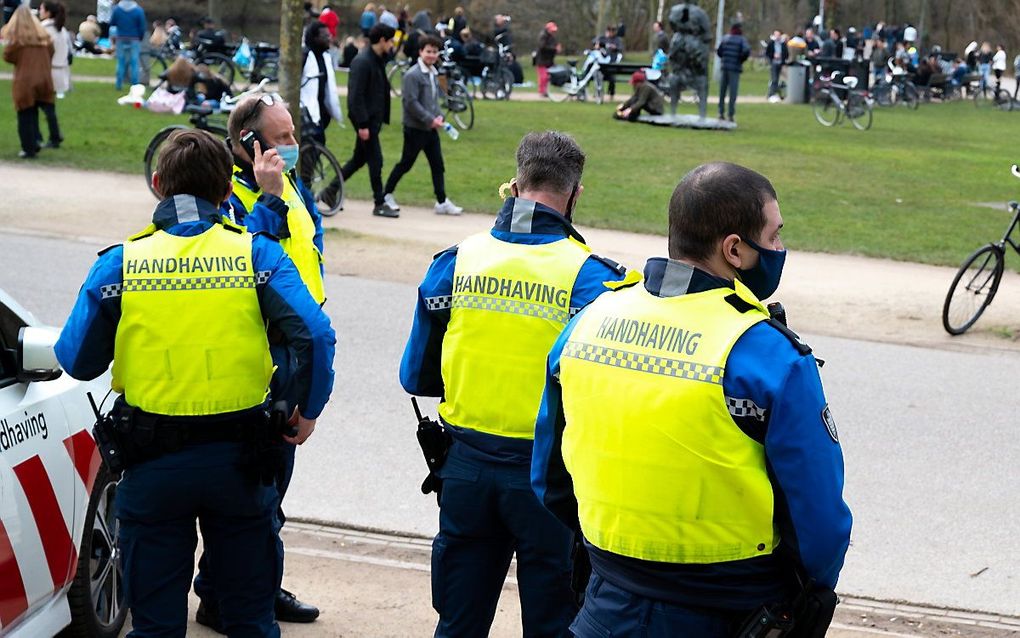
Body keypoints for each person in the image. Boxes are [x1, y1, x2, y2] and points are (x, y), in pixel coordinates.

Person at [532, 161, 852, 637]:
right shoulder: (770, 356)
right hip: (728, 613)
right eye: (775, 235)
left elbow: (549, 478)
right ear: (735, 250)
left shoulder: (585, 324)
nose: (780, 248)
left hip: (605, 604)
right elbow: (820, 522)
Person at [54, 128, 336, 638]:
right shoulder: (257, 255)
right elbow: (314, 335)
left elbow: (76, 360)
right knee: (250, 618)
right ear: (227, 192)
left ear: (158, 184)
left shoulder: (120, 262)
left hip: (153, 465)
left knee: (157, 625)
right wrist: (306, 410)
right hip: (242, 464)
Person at [400, 130, 630, 638]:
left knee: (458, 622)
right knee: (554, 621)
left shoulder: (456, 261)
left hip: (465, 470)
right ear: (575, 194)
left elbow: (415, 376)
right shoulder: (596, 279)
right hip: (550, 482)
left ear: (516, 183)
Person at [189, 93, 330, 631]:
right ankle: (232, 596)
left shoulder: (287, 184)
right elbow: (250, 259)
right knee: (259, 491)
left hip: (294, 353)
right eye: (283, 136)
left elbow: (307, 250)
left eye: (294, 133)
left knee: (273, 490)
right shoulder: (226, 196)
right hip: (261, 361)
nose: (294, 145)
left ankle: (245, 585)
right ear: (249, 143)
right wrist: (269, 196)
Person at [381, 34, 462, 217]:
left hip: (430, 129)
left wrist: (439, 116)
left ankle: (441, 201)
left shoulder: (433, 73)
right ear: (420, 52)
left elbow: (433, 100)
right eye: (428, 51)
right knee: (405, 163)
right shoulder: (413, 75)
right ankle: (386, 194)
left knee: (437, 165)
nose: (431, 55)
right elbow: (411, 102)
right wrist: (429, 119)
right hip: (415, 129)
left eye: (434, 52)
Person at [343, 24, 396, 217]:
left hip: (373, 120)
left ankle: (330, 192)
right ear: (382, 40)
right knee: (376, 161)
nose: (392, 44)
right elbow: (355, 97)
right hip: (366, 122)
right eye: (390, 40)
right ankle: (379, 202)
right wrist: (362, 124)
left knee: (358, 160)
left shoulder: (376, 59)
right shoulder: (363, 61)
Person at [2, 5, 61, 158]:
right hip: (45, 78)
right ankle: (40, 139)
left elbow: (7, 56)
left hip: (26, 80)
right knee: (40, 109)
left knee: (25, 113)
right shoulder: (45, 40)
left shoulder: (18, 42)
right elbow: (51, 53)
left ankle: (29, 148)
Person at [300, 21, 343, 148]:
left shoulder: (325, 57)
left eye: (329, 35)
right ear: (314, 38)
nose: (329, 38)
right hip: (306, 113)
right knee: (313, 146)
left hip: (321, 113)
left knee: (318, 145)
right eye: (325, 36)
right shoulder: (305, 55)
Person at [716, 22, 750, 122]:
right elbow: (746, 51)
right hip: (734, 68)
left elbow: (719, 51)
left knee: (722, 91)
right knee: (733, 93)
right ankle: (730, 114)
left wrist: (724, 58)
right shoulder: (741, 40)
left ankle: (720, 112)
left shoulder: (725, 38)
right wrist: (740, 60)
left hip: (724, 66)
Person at [109, 0, 146, 90]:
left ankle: (119, 84)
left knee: (121, 62)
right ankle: (135, 85)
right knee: (134, 62)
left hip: (121, 38)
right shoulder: (138, 10)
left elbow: (112, 23)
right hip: (134, 38)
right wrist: (140, 37)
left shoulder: (116, 9)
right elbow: (142, 27)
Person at [39, 1, 71, 99]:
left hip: (46, 74)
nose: (39, 11)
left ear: (48, 13)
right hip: (62, 75)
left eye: (41, 9)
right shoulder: (63, 31)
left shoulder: (43, 29)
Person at [535, 21, 559, 98]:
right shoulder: (543, 36)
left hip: (549, 60)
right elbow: (542, 47)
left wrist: (556, 50)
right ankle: (542, 91)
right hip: (542, 60)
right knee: (543, 77)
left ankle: (545, 90)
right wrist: (554, 49)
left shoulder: (552, 38)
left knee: (549, 77)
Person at [765, 30, 787, 102]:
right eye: (776, 35)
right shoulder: (771, 43)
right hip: (774, 63)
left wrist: (781, 56)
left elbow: (786, 53)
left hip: (780, 63)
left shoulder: (783, 44)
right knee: (774, 79)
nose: (777, 36)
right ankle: (771, 94)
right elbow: (767, 53)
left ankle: (774, 94)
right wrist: (773, 56)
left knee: (778, 80)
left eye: (778, 35)